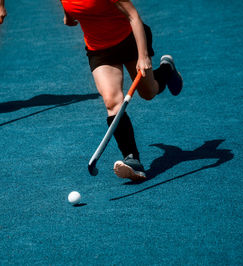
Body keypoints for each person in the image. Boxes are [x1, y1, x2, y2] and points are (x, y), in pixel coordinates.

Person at [60, 0, 183, 181]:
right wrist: (68, 16)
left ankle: (167, 70)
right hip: (100, 52)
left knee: (149, 92)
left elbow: (133, 16)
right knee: (111, 101)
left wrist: (143, 55)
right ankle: (132, 159)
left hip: (130, 41)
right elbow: (68, 6)